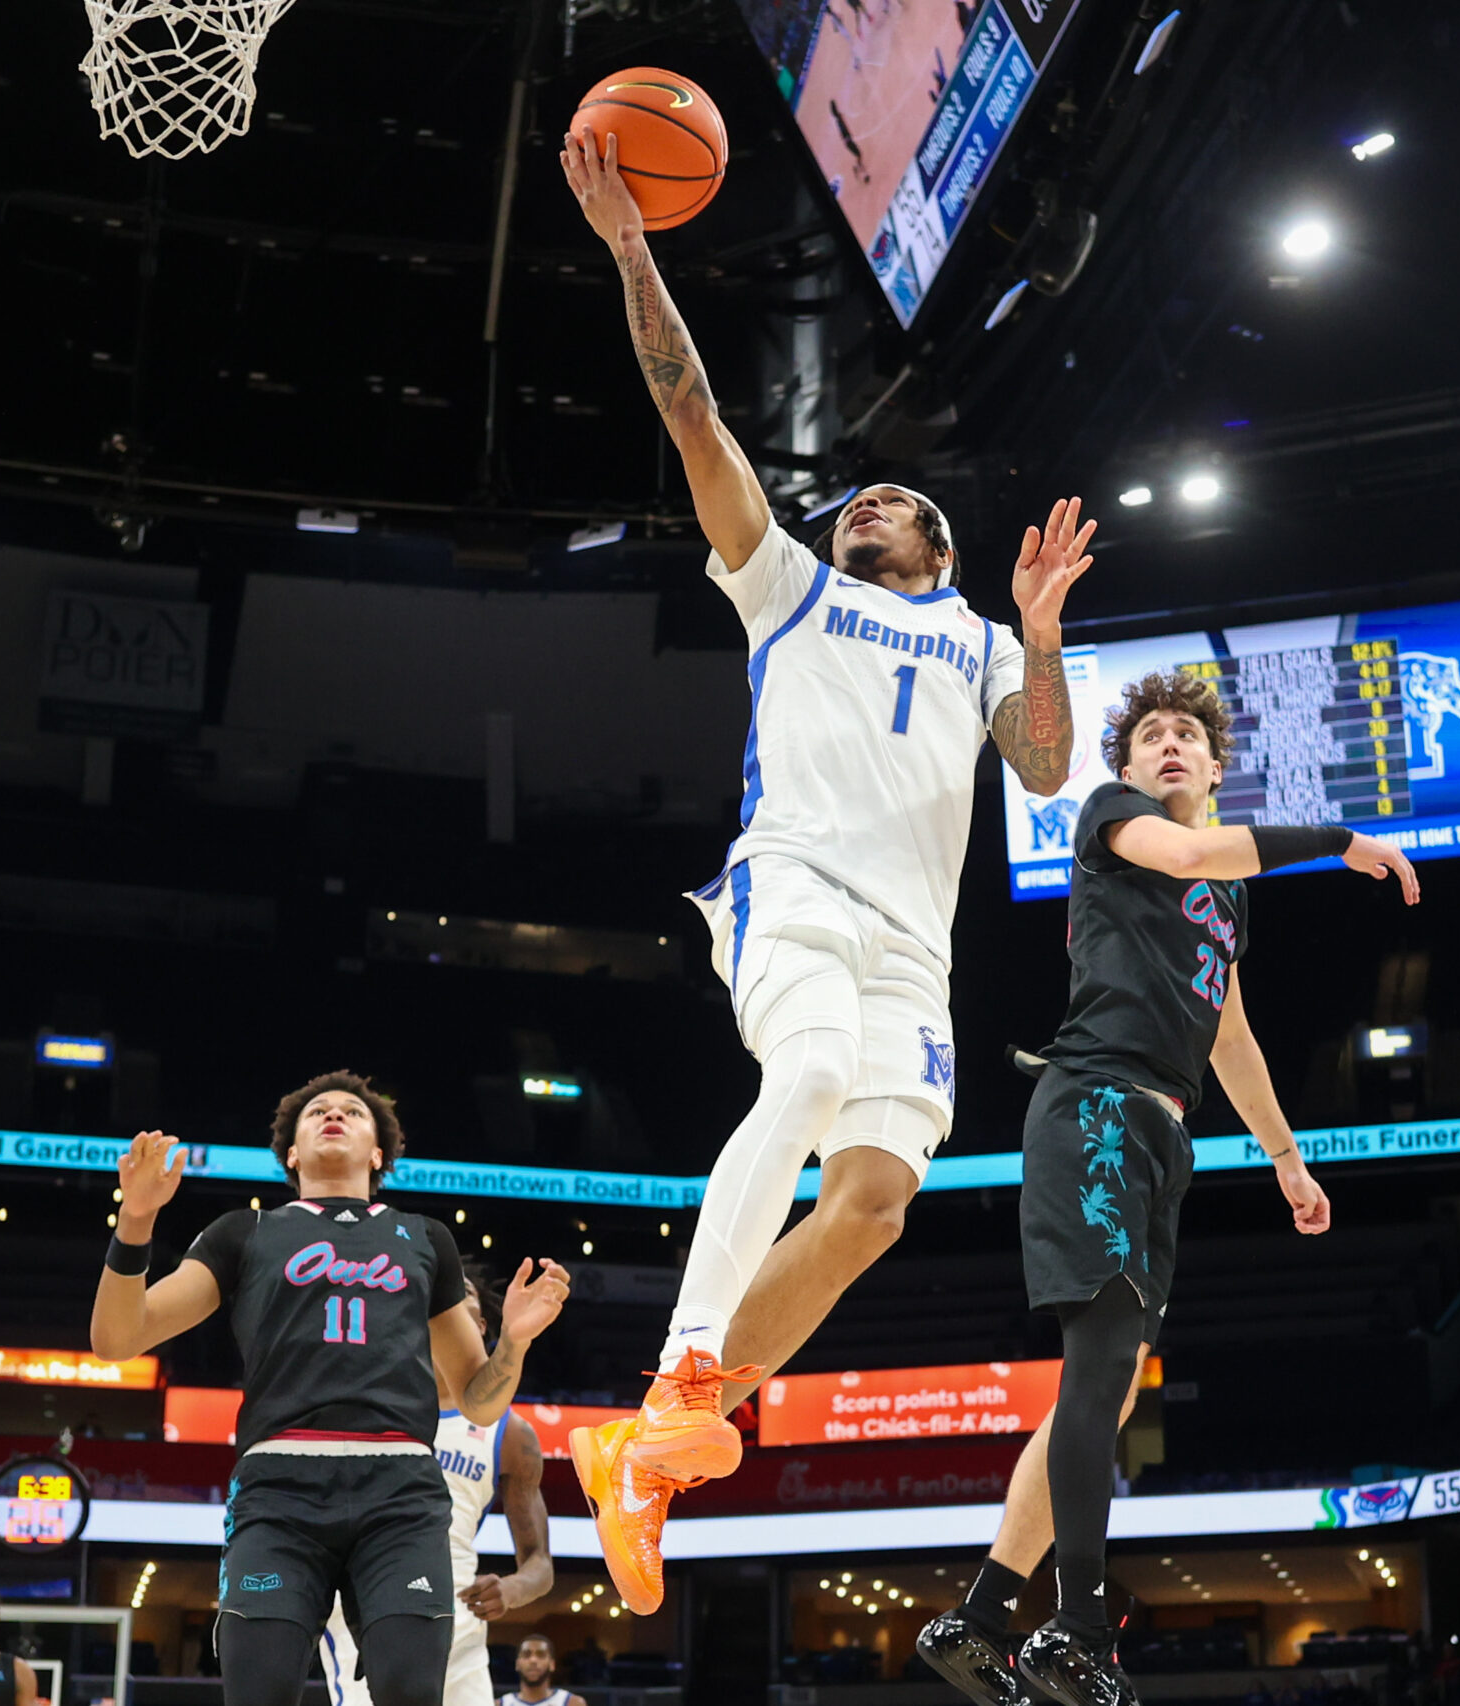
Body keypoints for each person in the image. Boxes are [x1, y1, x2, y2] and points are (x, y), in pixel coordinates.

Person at [559, 124, 1095, 1616]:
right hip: (789, 881)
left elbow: (1045, 769)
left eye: (899, 507)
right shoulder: (785, 587)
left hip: (912, 949)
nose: (869, 505)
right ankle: (679, 1383)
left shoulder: (989, 639)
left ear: (942, 545)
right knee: (793, 1087)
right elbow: (696, 421)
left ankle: (654, 1452)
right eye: (854, 498)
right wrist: (629, 253)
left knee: (868, 1202)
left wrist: (1045, 638)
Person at [918, 672, 1418, 1706]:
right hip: (1094, 1103)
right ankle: (1079, 1630)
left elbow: (1228, 1032)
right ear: (1130, 765)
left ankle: (977, 1617)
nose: (1171, 745)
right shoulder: (1119, 819)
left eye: (1188, 733)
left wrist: (1285, 1154)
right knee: (1100, 1365)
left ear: (1217, 763)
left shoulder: (1225, 893)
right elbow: (1190, 850)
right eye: (1151, 735)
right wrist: (1337, 838)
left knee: (1090, 1395)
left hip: (1162, 1135)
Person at [87, 1072, 568, 1706]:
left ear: (378, 1153)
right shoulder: (243, 1233)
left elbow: (478, 1399)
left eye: (351, 1112)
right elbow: (117, 1339)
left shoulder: (426, 1239)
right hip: (279, 1491)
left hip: (399, 1492)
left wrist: (516, 1341)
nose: (333, 1115)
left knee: (409, 1690)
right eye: (317, 1111)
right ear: (290, 1152)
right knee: (259, 1692)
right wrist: (138, 1218)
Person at [320, 1269, 556, 1706]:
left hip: (459, 1618)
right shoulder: (366, 1400)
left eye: (461, 1289)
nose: (444, 1294)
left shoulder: (511, 1433)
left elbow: (540, 1563)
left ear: (482, 1324)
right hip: (367, 1607)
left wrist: (511, 1590)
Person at [500, 1635, 586, 1706]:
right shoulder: (499, 1704)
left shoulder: (572, 1703)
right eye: (526, 1655)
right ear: (517, 1664)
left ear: (552, 1664)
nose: (533, 1660)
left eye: (541, 1655)